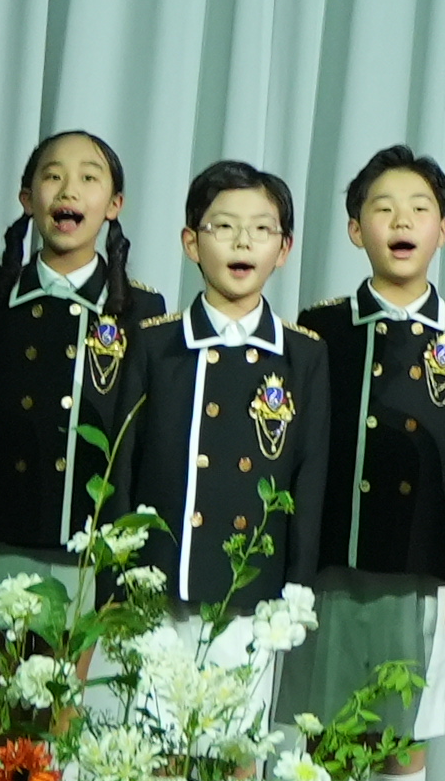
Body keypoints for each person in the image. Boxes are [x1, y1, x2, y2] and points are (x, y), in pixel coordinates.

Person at [300, 149, 445, 781]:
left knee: (406, 740)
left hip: (427, 574)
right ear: (353, 227)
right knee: (334, 738)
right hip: (334, 565)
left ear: (444, 229)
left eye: (418, 208)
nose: (401, 221)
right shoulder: (319, 331)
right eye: (382, 206)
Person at [0, 127, 155, 606]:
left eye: (88, 177)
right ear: (26, 197)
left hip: (90, 551)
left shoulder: (142, 309)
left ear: (114, 203)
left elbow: (141, 445)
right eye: (53, 176)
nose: (68, 191)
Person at [103, 161, 312, 626]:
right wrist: (114, 580)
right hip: (156, 586)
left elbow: (308, 483)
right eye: (223, 227)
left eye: (262, 229)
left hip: (254, 594)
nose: (242, 242)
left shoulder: (303, 355)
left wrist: (298, 592)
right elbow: (123, 468)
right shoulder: (156, 343)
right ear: (191, 242)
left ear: (284, 249)